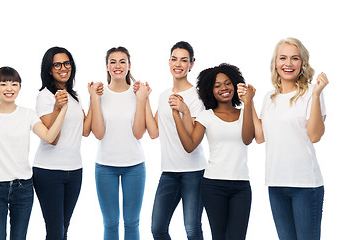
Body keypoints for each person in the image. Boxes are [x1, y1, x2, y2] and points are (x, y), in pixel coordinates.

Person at [0, 66, 67, 240]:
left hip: (23, 187)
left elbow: (49, 136)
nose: (9, 89)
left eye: (14, 84)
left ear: (19, 87)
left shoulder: (28, 115)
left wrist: (62, 110)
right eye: (3, 84)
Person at [238, 37, 329, 240]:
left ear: (302, 63)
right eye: (283, 58)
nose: (288, 64)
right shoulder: (270, 97)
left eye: (294, 58)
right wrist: (249, 102)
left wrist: (315, 96)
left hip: (306, 185)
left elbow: (315, 136)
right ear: (275, 63)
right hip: (276, 183)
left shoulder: (311, 93)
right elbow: (260, 137)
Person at [170, 63, 255, 240]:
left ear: (235, 84)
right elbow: (190, 146)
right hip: (213, 185)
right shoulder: (205, 116)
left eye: (227, 83)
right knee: (219, 237)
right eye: (217, 86)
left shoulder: (244, 113)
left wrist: (248, 103)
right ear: (210, 90)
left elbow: (247, 139)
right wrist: (177, 116)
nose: (224, 88)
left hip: (241, 186)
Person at [139, 41, 207, 240]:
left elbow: (192, 137)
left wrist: (183, 109)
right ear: (169, 62)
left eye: (184, 60)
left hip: (194, 173)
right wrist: (144, 99)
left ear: (191, 65)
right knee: (158, 229)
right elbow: (153, 131)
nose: (178, 64)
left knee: (192, 229)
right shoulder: (163, 96)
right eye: (175, 59)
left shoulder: (197, 97)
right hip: (169, 172)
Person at [33, 46, 101, 240]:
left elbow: (85, 131)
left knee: (64, 229)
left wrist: (93, 98)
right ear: (49, 69)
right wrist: (57, 107)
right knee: (55, 232)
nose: (63, 68)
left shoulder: (73, 95)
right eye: (57, 64)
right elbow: (51, 137)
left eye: (67, 63)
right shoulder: (45, 96)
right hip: (48, 171)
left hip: (74, 170)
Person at [89, 46, 150, 240]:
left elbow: (139, 133)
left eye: (122, 61)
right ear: (106, 66)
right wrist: (94, 99)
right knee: (111, 223)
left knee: (132, 223)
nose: (118, 66)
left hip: (134, 166)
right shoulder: (99, 94)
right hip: (105, 167)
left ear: (129, 66)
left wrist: (142, 99)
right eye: (113, 62)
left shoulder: (139, 94)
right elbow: (98, 133)